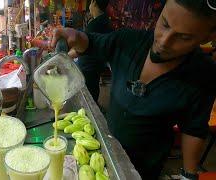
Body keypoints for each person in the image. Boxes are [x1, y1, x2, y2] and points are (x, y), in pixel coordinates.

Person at [51, 0, 216, 179]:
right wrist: (76, 36)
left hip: (145, 169)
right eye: (165, 24)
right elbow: (92, 43)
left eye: (184, 37)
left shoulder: (202, 74)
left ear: (209, 36)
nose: (164, 41)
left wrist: (189, 174)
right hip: (106, 149)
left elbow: (194, 128)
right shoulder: (129, 41)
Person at [77, 0, 112, 101]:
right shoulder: (105, 20)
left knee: (88, 97)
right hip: (96, 65)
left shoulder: (95, 24)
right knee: (93, 91)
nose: (89, 7)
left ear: (94, 2)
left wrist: (66, 56)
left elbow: (83, 47)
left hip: (89, 67)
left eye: (91, 3)